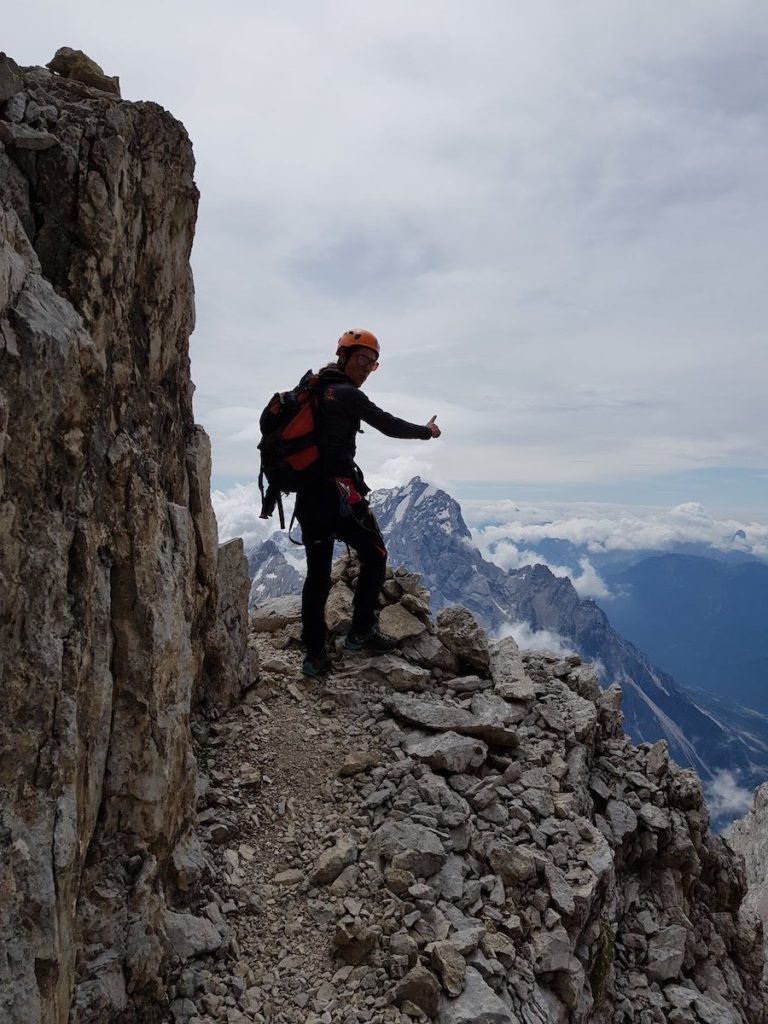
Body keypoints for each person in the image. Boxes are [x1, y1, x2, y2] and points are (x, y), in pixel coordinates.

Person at [295, 329, 441, 677]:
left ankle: (314, 655)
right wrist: (426, 431)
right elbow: (388, 425)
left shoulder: (313, 388)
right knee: (375, 554)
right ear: (343, 356)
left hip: (308, 497)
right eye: (362, 359)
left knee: (317, 576)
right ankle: (361, 632)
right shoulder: (346, 394)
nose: (366, 368)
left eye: (373, 364)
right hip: (338, 497)